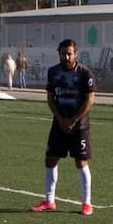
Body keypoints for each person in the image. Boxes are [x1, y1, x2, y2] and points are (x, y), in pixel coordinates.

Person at [31, 38, 96, 215]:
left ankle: (87, 203)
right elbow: (50, 98)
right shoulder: (53, 72)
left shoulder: (85, 73)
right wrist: (60, 118)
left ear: (75, 54)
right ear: (59, 54)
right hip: (59, 123)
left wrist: (73, 120)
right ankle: (49, 200)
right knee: (50, 159)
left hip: (80, 125)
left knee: (81, 161)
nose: (66, 57)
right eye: (63, 54)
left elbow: (90, 99)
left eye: (69, 54)